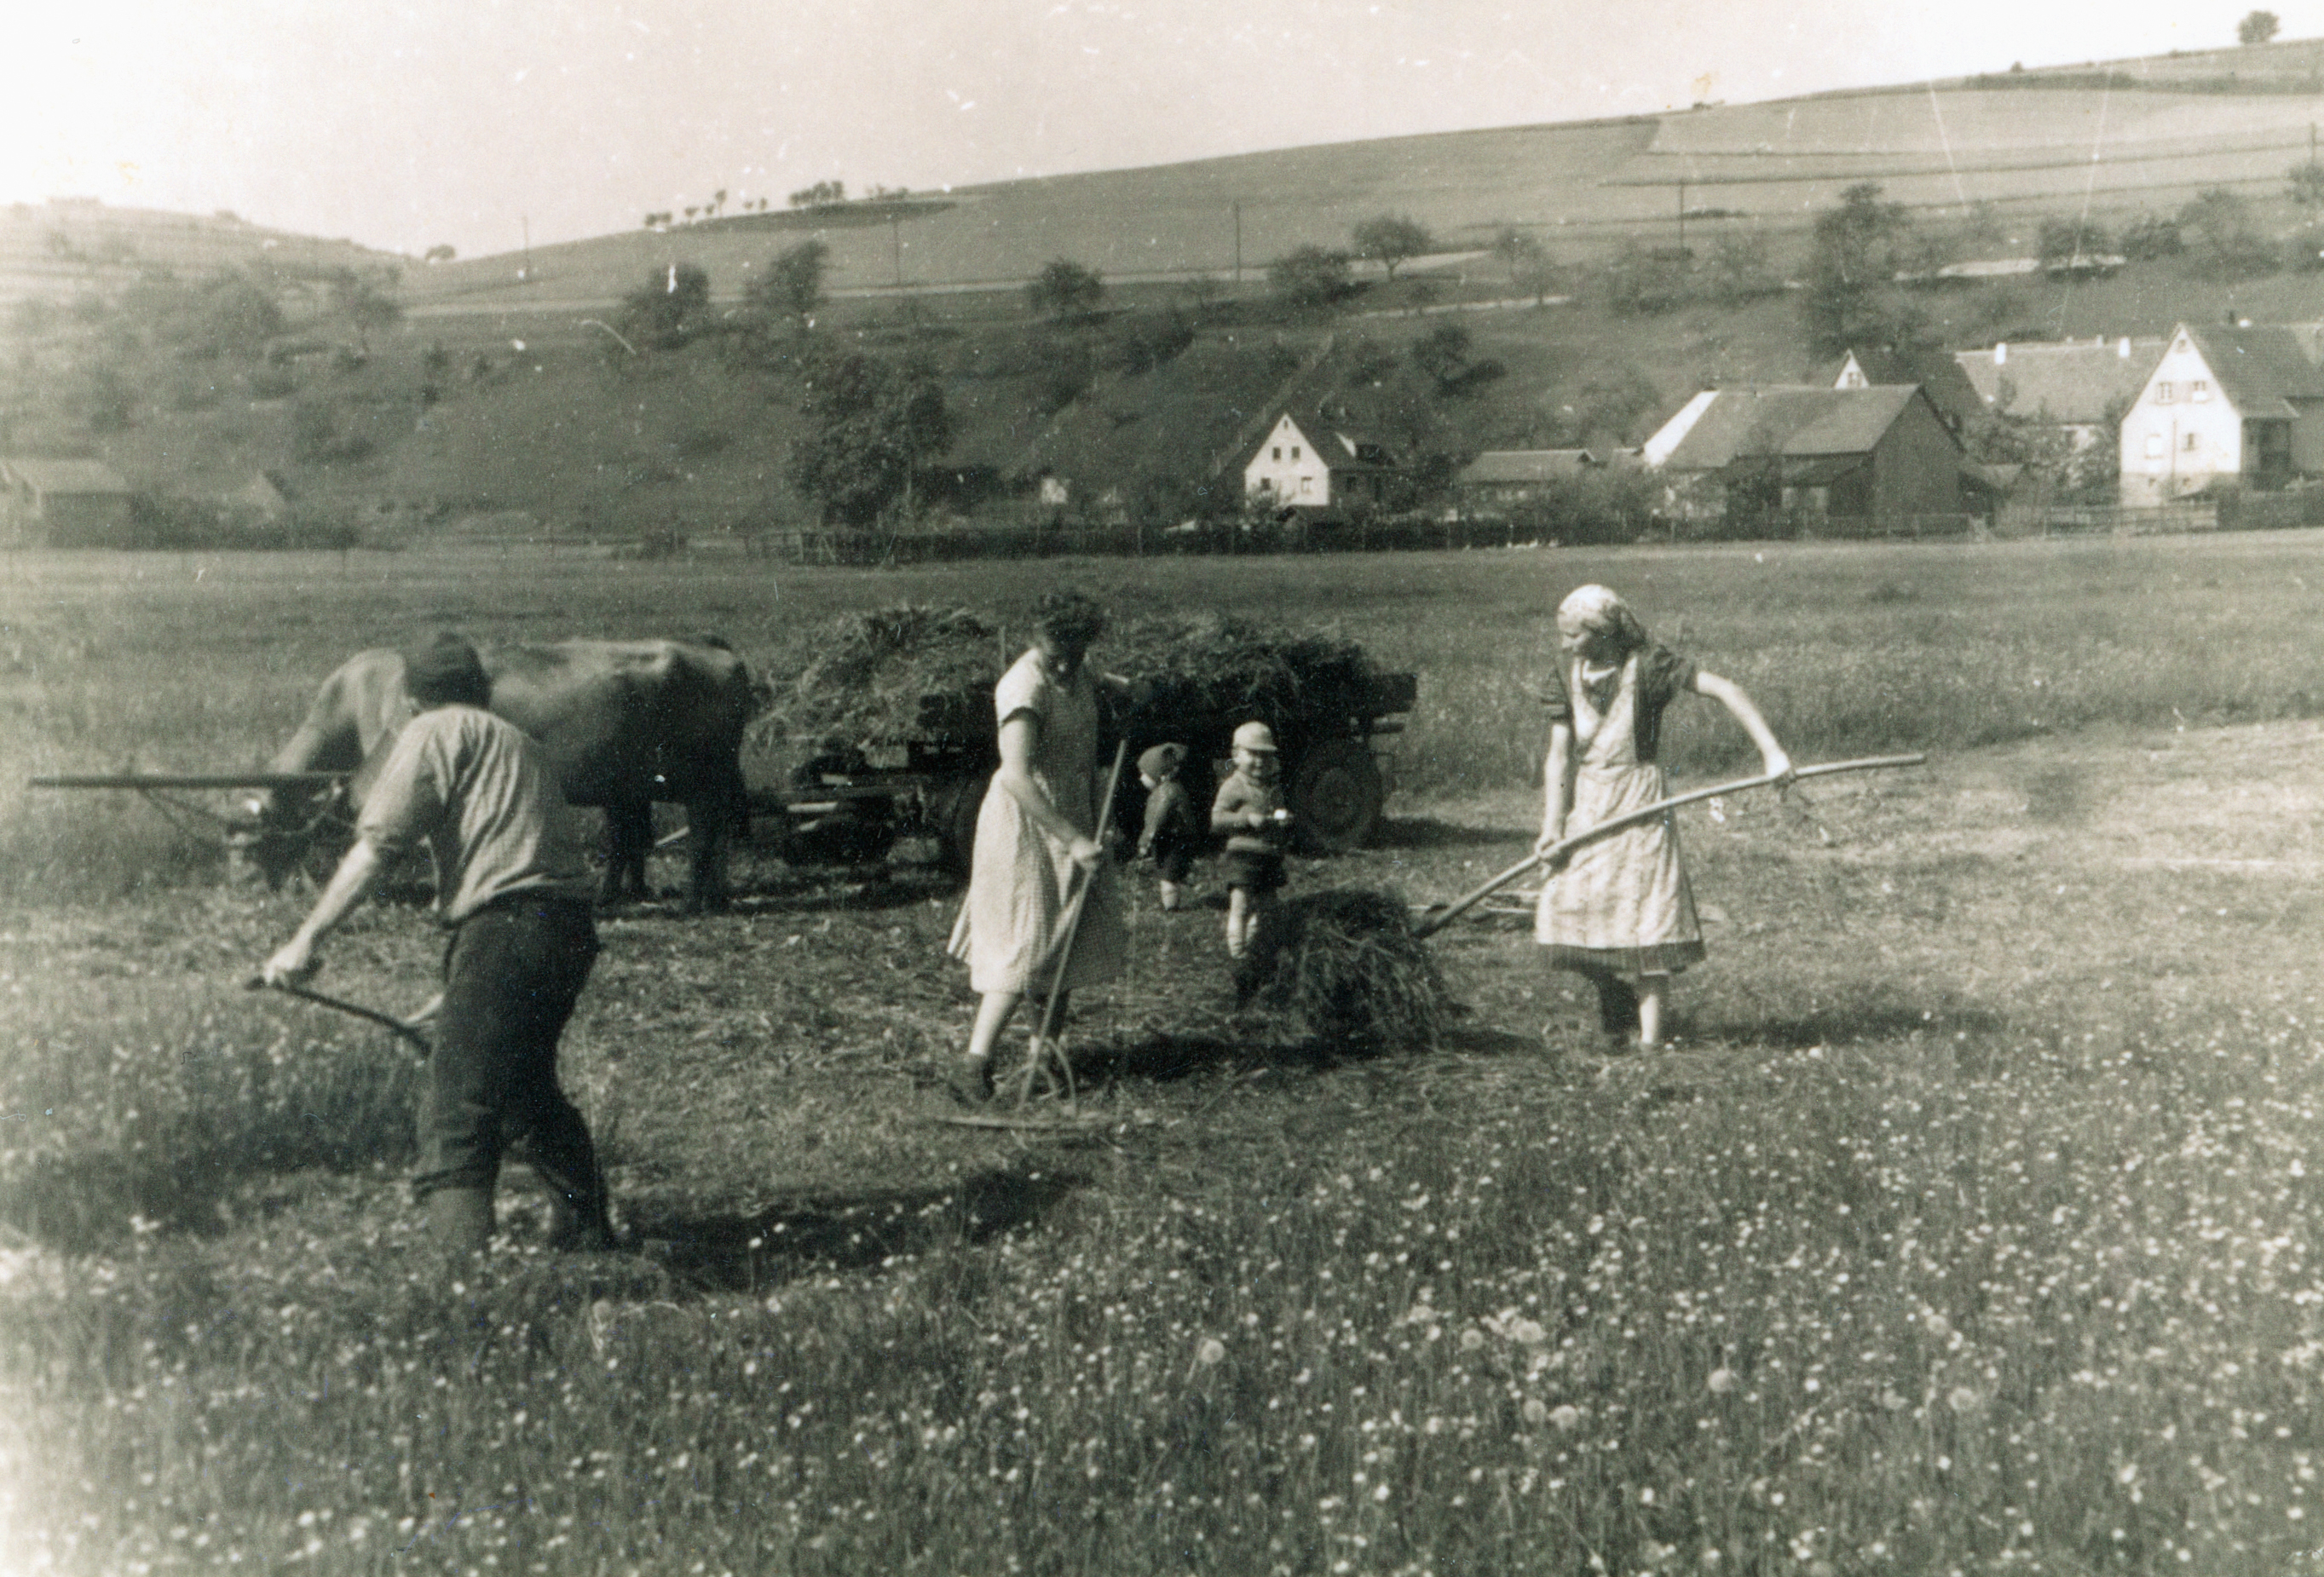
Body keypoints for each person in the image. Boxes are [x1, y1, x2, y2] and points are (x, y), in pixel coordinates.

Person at [260, 632, 612, 1255]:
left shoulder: (430, 731)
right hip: (565, 930)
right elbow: (525, 860)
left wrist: (304, 940)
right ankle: (587, 1235)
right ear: (480, 689)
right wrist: (465, 988)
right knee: (522, 1086)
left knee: (456, 1104)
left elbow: (378, 847)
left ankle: (458, 1271)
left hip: (506, 929)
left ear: (413, 700)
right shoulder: (520, 743)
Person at [1535, 584, 1791, 1050]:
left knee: (1647, 920)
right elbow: (1558, 757)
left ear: (1603, 631)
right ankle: (1614, 993)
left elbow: (1727, 689)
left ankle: (1651, 1045)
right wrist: (1553, 826)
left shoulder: (1649, 666)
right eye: (1563, 635)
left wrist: (1773, 754)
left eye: (1574, 635)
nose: (1566, 644)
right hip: (1589, 806)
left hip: (1641, 806)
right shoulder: (1565, 672)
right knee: (1562, 907)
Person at [945, 590, 1127, 1103]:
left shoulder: (1075, 671)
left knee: (1064, 934)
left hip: (1071, 816)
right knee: (1024, 945)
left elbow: (1100, 680)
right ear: (1036, 639)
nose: (1067, 663)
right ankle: (972, 1066)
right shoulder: (1023, 685)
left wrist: (1131, 688)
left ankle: (1042, 1058)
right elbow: (1016, 777)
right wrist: (1072, 839)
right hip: (1026, 826)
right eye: (1056, 653)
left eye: (1078, 651)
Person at [1211, 720, 1290, 959]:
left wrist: (1283, 819)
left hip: (1268, 855)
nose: (1259, 761)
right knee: (1241, 903)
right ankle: (1237, 951)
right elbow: (1217, 819)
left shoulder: (1272, 788)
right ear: (1236, 755)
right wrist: (1245, 819)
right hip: (1243, 856)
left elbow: (1276, 812)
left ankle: (1255, 946)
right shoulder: (1233, 786)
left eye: (1265, 756)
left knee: (1267, 905)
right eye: (1252, 754)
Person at [1134, 742, 1202, 912]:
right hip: (1176, 838)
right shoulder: (1170, 789)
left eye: (1144, 773)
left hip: (1172, 840)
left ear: (1161, 774)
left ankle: (1171, 907)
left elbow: (1156, 821)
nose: (1141, 777)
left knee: (1168, 876)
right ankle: (1171, 902)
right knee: (1169, 874)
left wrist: (1145, 841)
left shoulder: (1165, 794)